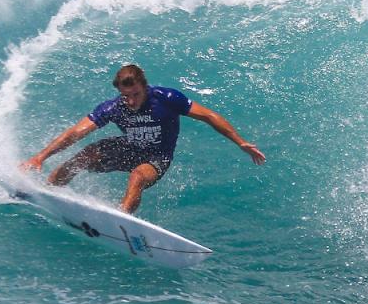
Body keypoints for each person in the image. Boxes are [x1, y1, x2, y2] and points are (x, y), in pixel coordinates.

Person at [20, 63, 266, 213]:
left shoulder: (166, 98)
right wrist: (40, 157)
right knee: (82, 157)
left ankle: (122, 219)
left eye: (135, 94)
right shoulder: (114, 107)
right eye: (125, 95)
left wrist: (240, 142)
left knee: (138, 176)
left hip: (157, 157)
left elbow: (210, 116)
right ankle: (45, 192)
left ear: (145, 87)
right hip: (128, 148)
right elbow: (75, 132)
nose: (131, 101)